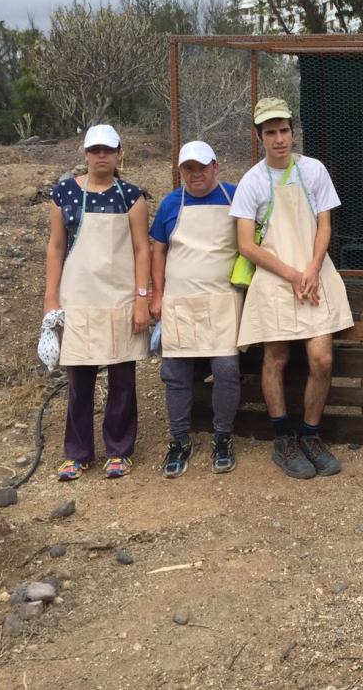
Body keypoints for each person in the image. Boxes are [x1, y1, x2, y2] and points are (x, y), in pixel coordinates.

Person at [231, 97, 353, 479]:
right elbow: (246, 245)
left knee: (322, 358)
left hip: (314, 274)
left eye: (284, 130)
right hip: (275, 278)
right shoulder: (252, 181)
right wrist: (292, 274)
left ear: (292, 131)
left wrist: (312, 269)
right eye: (271, 133)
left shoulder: (313, 171)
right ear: (260, 137)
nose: (279, 139)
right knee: (277, 357)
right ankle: (283, 439)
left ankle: (311, 435)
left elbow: (325, 225)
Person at [43, 125, 149, 480]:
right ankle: (78, 452)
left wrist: (142, 298)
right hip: (78, 297)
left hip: (120, 297)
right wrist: (51, 298)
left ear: (119, 153)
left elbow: (141, 250)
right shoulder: (64, 194)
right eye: (95, 150)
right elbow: (56, 247)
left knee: (122, 378)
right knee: (79, 378)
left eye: (108, 150)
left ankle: (119, 450)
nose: (101, 156)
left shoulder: (132, 197)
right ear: (85, 153)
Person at [150, 141, 242, 478]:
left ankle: (222, 437)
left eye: (202, 167)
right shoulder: (170, 204)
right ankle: (179, 440)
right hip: (180, 301)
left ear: (215, 166)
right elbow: (158, 251)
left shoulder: (234, 198)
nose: (196, 174)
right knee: (175, 373)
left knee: (227, 370)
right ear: (180, 171)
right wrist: (157, 295)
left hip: (223, 300)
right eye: (188, 168)